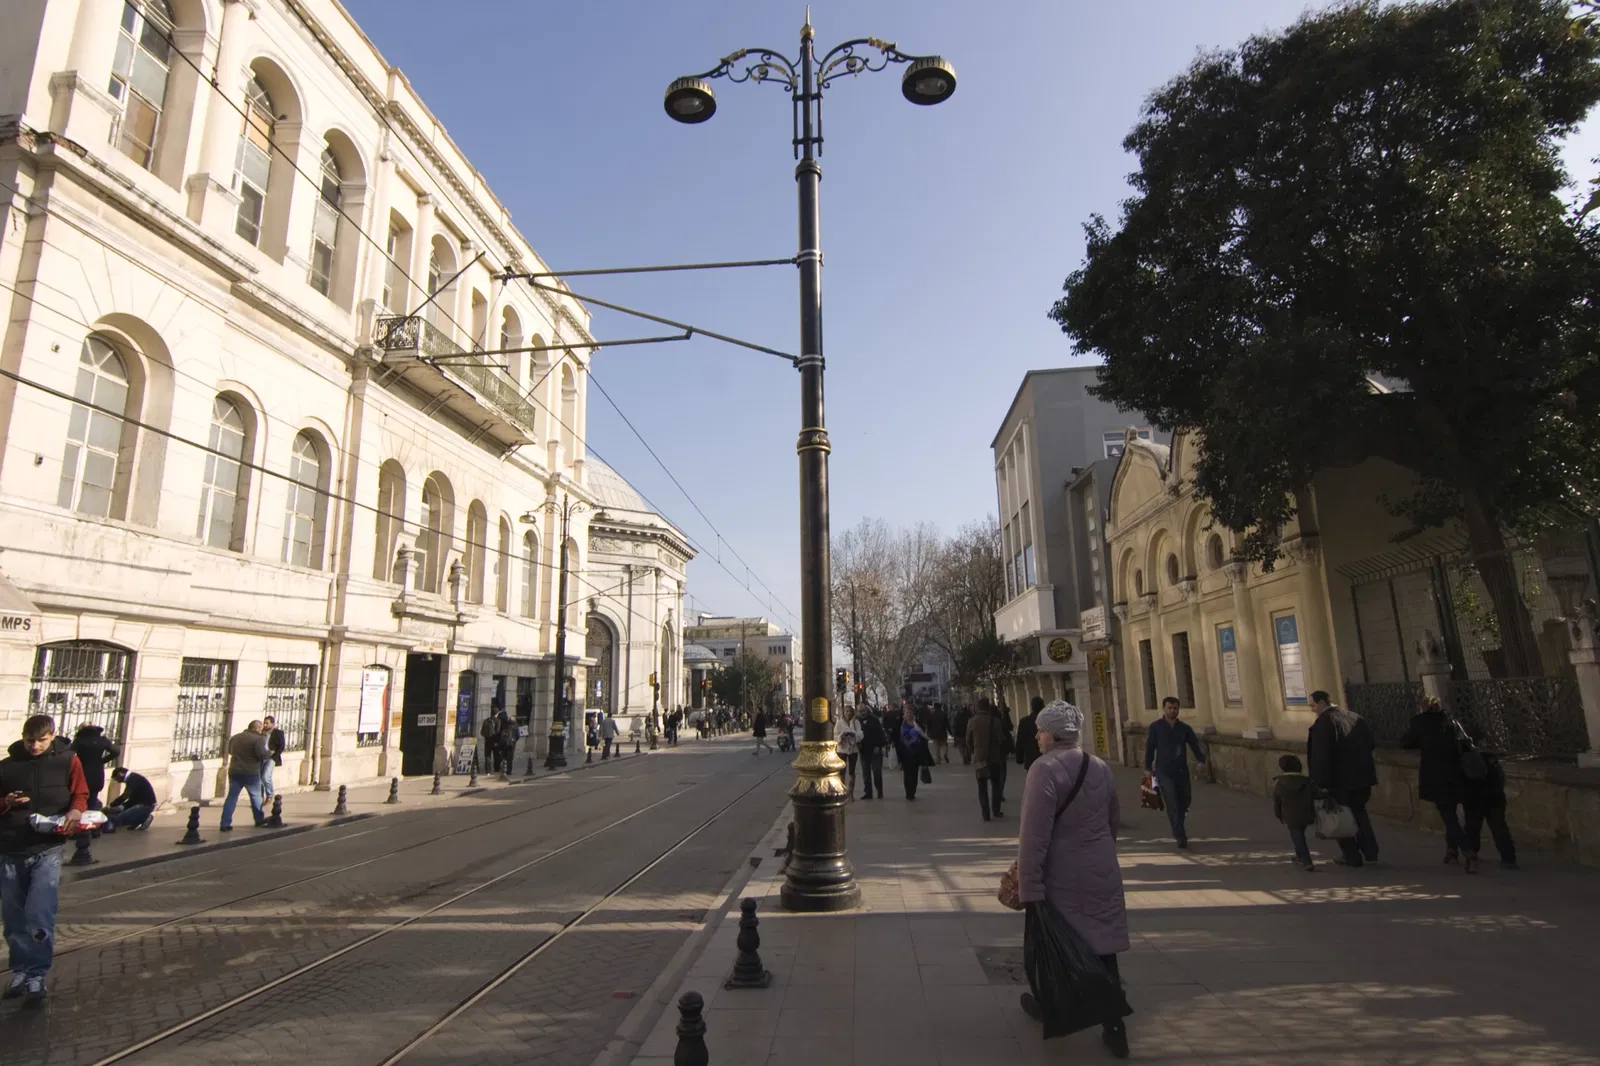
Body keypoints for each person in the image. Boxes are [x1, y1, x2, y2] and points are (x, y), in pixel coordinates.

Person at [1015, 702, 1130, 1058]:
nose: (1037, 736)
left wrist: (1029, 885)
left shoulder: (1044, 769)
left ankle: (1052, 1006)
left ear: (1053, 735)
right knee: (1103, 945)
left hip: (1062, 872)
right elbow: (1112, 819)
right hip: (1102, 866)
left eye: (1040, 730)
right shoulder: (1100, 766)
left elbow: (1034, 835)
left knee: (1052, 941)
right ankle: (1115, 1026)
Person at [0, 714, 88, 1002]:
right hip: (10, 848)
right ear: (22, 737)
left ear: (52, 736)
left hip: (47, 848)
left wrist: (76, 810)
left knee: (39, 912)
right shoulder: (7, 766)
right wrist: (6, 803)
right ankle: (20, 970)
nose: (35, 746)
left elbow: (80, 792)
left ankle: (36, 974)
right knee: (13, 917)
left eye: (41, 740)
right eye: (30, 740)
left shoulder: (69, 760)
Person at [1306, 690, 1380, 867]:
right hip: (1362, 777)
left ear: (1322, 703)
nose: (1312, 709)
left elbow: (1321, 757)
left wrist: (1320, 783)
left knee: (1340, 816)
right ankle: (1370, 851)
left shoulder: (1324, 724)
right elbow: (1370, 743)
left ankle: (1351, 856)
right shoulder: (1354, 717)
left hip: (1338, 780)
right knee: (1360, 812)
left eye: (1312, 705)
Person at [1400, 695, 1468, 864]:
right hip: (1456, 774)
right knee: (1451, 812)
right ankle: (1452, 850)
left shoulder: (1420, 723)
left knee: (1448, 816)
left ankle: (1468, 851)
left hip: (1436, 776)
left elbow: (1405, 743)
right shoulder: (1450, 722)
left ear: (1422, 708)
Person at [1143, 696, 1207, 848]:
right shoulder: (1156, 727)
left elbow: (1194, 744)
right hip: (1163, 771)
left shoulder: (1184, 728)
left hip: (1181, 771)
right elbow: (1150, 748)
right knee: (1172, 801)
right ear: (1164, 709)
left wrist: (1201, 760)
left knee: (1185, 801)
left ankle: (1178, 825)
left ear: (1178, 710)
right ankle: (1179, 834)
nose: (1172, 711)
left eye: (1175, 708)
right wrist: (1147, 768)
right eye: (1169, 708)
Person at [1461, 725, 1517, 873]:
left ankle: (1472, 853)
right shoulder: (1490, 756)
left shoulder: (1465, 757)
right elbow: (1500, 777)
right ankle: (1508, 857)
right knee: (1499, 827)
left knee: (1472, 826)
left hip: (1474, 797)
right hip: (1494, 796)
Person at [70, 723, 117, 862]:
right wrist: (101, 761)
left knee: (79, 801)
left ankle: (81, 832)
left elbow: (69, 753)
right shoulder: (102, 741)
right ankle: (93, 830)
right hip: (97, 774)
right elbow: (116, 751)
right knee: (92, 803)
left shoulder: (80, 741)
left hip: (82, 773)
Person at [220, 720, 270, 831]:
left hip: (234, 771)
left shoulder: (235, 737)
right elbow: (261, 755)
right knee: (256, 797)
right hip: (251, 772)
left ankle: (224, 823)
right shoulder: (258, 739)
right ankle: (259, 820)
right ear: (257, 728)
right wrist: (269, 753)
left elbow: (230, 751)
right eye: (260, 728)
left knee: (232, 797)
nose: (261, 731)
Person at [967, 698, 1013, 820]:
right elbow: (1001, 739)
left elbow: (968, 740)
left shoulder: (972, 721)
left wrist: (973, 752)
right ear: (988, 707)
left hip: (979, 759)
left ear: (978, 707)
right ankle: (996, 810)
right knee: (996, 785)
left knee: (982, 787)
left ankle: (985, 813)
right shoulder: (995, 721)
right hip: (994, 758)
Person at [1272, 754, 1317, 871]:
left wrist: (1278, 815)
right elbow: (1317, 794)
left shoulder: (1280, 783)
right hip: (1306, 812)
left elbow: (1277, 801)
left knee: (1297, 836)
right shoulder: (1307, 781)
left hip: (1290, 814)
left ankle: (1306, 861)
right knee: (1300, 834)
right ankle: (1299, 855)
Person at [101, 767, 156, 833]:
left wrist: (110, 806)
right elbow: (133, 798)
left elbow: (125, 796)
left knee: (117, 819)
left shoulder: (133, 779)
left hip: (146, 805)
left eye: (116, 778)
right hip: (140, 803)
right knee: (116, 814)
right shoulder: (132, 778)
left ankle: (144, 817)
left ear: (120, 774)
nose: (117, 781)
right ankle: (139, 819)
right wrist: (121, 807)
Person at [895, 704, 929, 800]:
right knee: (907, 773)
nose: (909, 714)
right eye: (907, 713)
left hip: (917, 753)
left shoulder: (917, 724)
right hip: (905, 753)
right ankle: (908, 792)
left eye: (910, 713)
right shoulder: (901, 725)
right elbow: (898, 738)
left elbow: (923, 737)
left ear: (913, 714)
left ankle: (912, 791)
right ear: (904, 715)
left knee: (914, 773)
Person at [858, 707, 887, 799]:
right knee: (866, 773)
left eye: (863, 710)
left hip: (875, 750)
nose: (862, 713)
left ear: (867, 711)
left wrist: (879, 746)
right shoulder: (857, 721)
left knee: (876, 772)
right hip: (863, 750)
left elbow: (880, 734)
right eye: (860, 711)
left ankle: (879, 790)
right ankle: (868, 792)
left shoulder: (874, 720)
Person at [836, 705, 863, 796]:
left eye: (850, 711)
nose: (848, 713)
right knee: (842, 772)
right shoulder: (839, 722)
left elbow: (860, 734)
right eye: (846, 711)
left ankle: (851, 793)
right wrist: (841, 737)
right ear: (843, 713)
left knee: (852, 772)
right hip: (842, 750)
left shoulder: (856, 722)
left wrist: (854, 735)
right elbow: (835, 735)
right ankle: (842, 791)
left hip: (853, 750)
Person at [261, 716, 286, 800]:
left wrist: (274, 755)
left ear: (272, 724)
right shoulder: (261, 732)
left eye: (267, 723)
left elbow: (281, 746)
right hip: (261, 757)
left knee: (266, 776)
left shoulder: (278, 733)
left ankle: (270, 795)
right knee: (259, 779)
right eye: (264, 723)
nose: (265, 725)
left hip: (271, 758)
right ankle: (259, 798)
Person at [1016, 696, 1044, 771]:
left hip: (1030, 758)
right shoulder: (1046, 721)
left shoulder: (1024, 721)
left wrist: (1019, 757)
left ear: (1032, 707)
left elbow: (1020, 740)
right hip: (1044, 757)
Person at [481, 705, 506, 773]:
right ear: (497, 713)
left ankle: (488, 771)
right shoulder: (498, 720)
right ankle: (496, 769)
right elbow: (498, 731)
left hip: (487, 740)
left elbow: (482, 732)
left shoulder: (486, 720)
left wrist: (487, 736)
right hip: (495, 740)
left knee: (487, 756)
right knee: (496, 756)